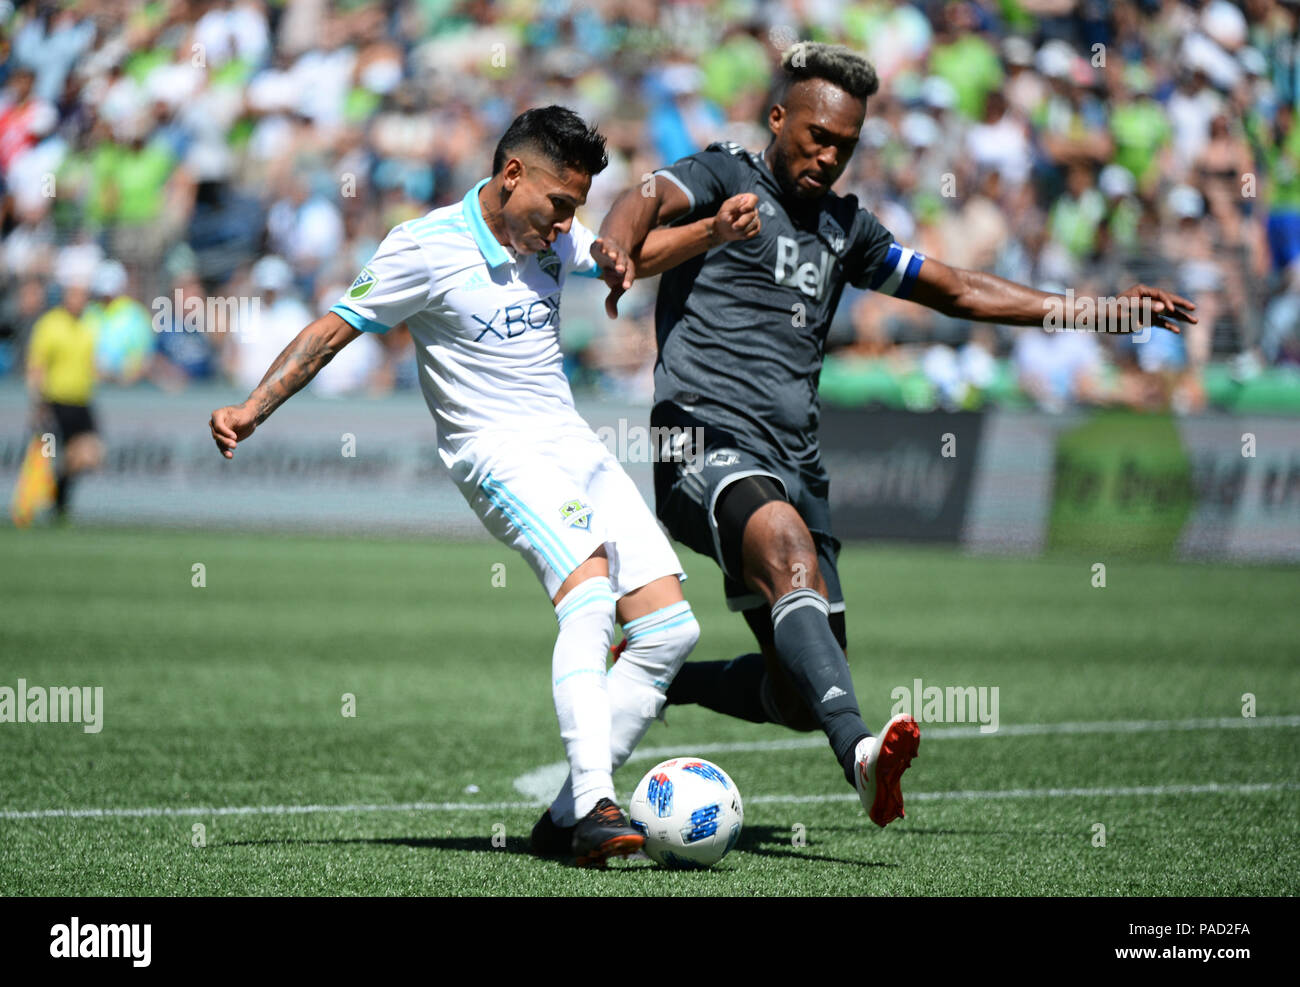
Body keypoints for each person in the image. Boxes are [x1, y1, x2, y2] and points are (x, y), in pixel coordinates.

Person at [593, 43, 1196, 828]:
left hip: (793, 460)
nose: (827, 154)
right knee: (787, 553)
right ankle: (863, 755)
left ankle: (666, 680)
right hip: (696, 440)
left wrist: (1105, 312)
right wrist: (612, 245)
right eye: (814, 135)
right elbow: (643, 199)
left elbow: (959, 288)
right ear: (778, 118)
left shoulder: (849, 229)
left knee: (798, 691)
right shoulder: (722, 174)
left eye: (843, 144)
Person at [208, 106, 761, 866]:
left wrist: (712, 234)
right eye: (560, 205)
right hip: (497, 453)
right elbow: (333, 329)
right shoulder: (424, 248)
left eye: (575, 208)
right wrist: (250, 410)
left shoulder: (554, 237)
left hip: (572, 444)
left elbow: (623, 257)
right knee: (592, 595)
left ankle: (564, 817)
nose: (567, 224)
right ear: (511, 176)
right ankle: (599, 802)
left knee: (671, 631)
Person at [24, 278, 103, 522]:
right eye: (75, 295)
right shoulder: (50, 325)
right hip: (56, 400)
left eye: (83, 296)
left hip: (82, 400)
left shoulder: (88, 325)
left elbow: (93, 363)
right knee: (48, 455)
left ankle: (57, 495)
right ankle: (51, 506)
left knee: (90, 455)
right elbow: (37, 367)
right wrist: (39, 402)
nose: (80, 301)